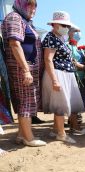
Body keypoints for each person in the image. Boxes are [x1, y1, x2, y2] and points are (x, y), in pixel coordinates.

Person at [1, 0, 46, 146]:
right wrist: (26, 70)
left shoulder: (24, 20)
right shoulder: (14, 17)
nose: (32, 9)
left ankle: (21, 135)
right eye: (29, 4)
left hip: (28, 68)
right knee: (26, 101)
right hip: (22, 68)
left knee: (27, 101)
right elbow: (14, 43)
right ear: (20, 4)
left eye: (35, 6)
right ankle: (29, 138)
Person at [42, 11, 85, 143]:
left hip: (65, 73)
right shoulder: (51, 37)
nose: (66, 28)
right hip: (57, 73)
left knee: (60, 103)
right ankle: (61, 134)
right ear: (54, 24)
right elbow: (48, 59)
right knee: (60, 104)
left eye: (67, 26)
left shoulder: (60, 38)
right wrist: (55, 80)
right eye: (63, 25)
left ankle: (56, 129)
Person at [67, 27, 85, 135]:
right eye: (75, 31)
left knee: (77, 104)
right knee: (74, 104)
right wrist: (83, 66)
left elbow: (84, 63)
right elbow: (73, 63)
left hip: (80, 79)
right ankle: (75, 127)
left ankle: (74, 126)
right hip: (73, 78)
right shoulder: (67, 46)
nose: (78, 34)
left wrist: (83, 65)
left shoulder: (78, 49)